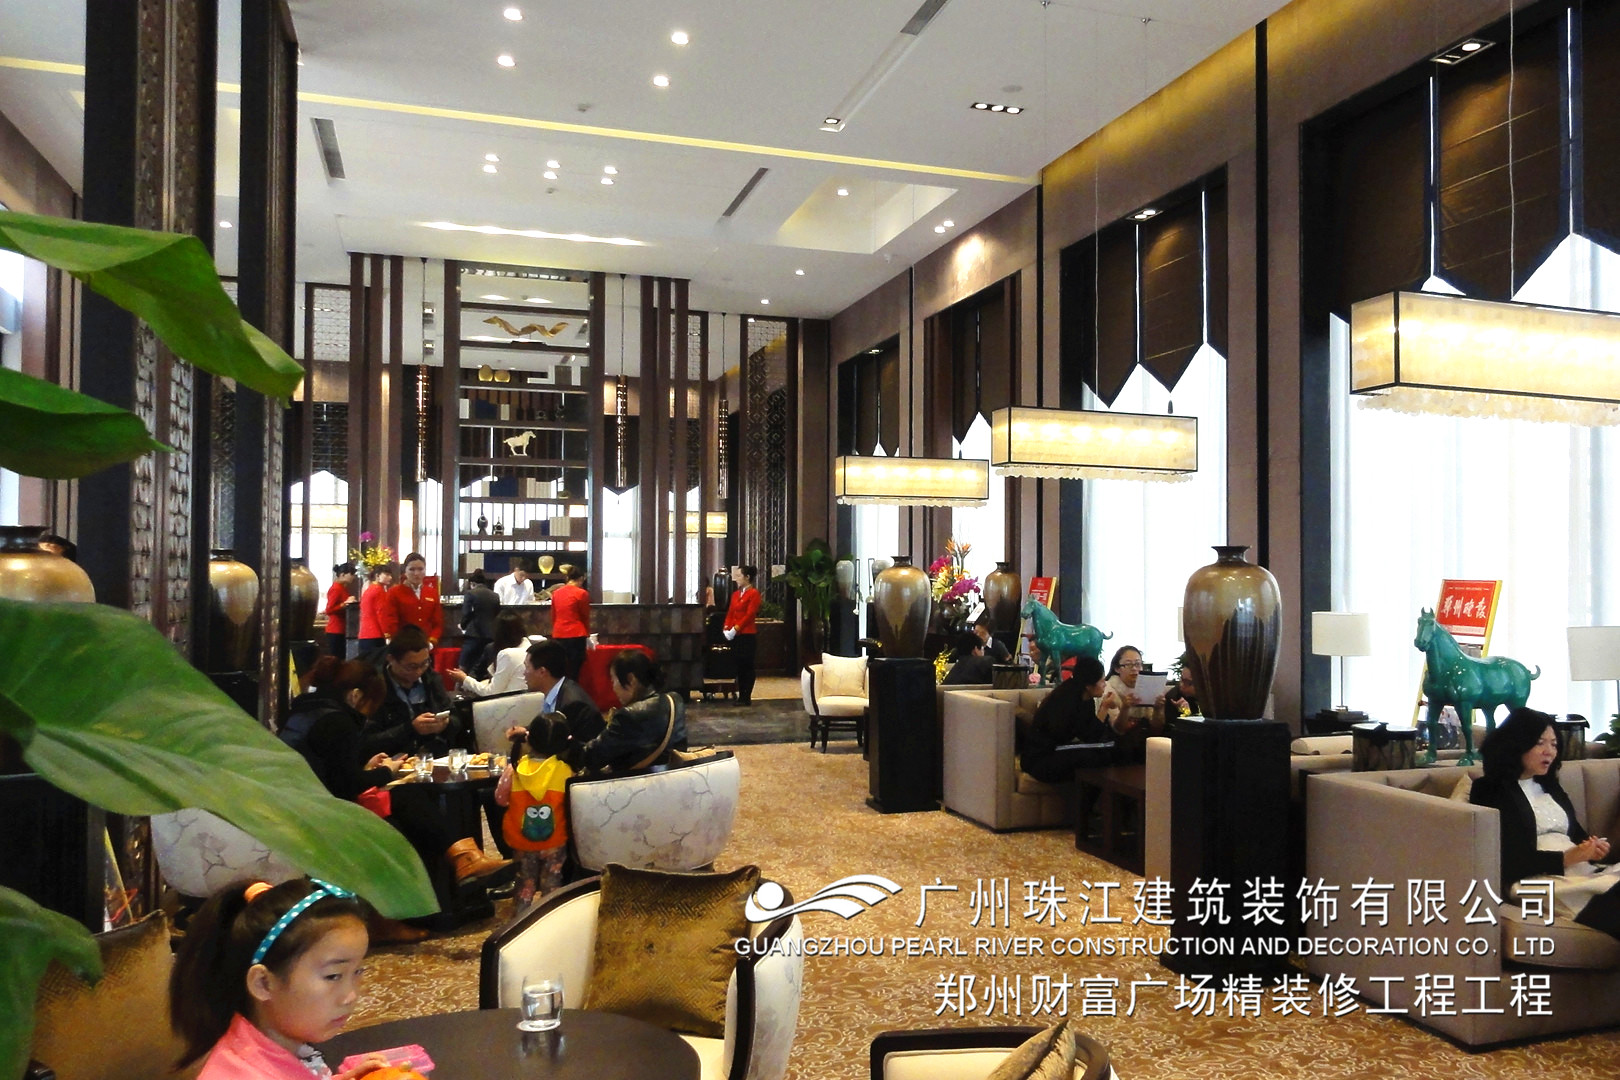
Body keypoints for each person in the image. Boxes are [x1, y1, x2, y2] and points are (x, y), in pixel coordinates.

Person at [279, 657, 511, 899]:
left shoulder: (303, 711)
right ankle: (463, 862)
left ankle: (463, 861)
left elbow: (331, 769)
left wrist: (368, 767)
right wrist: (387, 771)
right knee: (408, 796)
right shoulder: (337, 722)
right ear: (356, 696)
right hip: (322, 809)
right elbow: (347, 786)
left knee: (408, 798)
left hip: (298, 800)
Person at [168, 877, 387, 1080]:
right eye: (333, 976)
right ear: (263, 983)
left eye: (358, 971)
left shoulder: (272, 1047)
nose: (351, 996)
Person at [1470, 708, 1620, 938]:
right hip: (1536, 879)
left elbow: (1576, 835)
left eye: (1554, 744)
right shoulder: (1489, 789)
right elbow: (1506, 859)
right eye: (1540, 743)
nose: (1549, 751)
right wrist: (1566, 858)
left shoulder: (1549, 785)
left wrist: (1594, 847)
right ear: (1517, 743)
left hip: (1579, 869)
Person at [495, 712, 574, 906]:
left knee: (524, 884)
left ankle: (521, 919)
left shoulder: (514, 770)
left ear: (528, 739)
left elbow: (500, 799)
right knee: (552, 884)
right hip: (555, 842)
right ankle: (550, 917)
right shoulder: (566, 771)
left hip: (521, 841)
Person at [578, 650, 687, 773]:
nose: (613, 687)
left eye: (613, 680)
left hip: (639, 780)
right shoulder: (675, 700)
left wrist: (570, 746)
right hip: (674, 775)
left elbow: (591, 757)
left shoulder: (629, 715)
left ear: (631, 679)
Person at [365, 626, 465, 758]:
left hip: (433, 756)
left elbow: (456, 720)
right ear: (391, 659)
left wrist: (446, 724)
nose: (418, 671)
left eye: (424, 664)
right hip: (392, 760)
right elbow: (367, 742)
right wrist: (411, 729)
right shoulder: (375, 686)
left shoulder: (431, 679)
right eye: (411, 667)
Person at [1017, 655, 1115, 783]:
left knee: (1106, 752)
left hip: (1058, 752)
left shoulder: (1086, 700)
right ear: (1088, 685)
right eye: (1101, 681)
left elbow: (1091, 737)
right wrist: (1104, 708)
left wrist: (1103, 709)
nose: (1104, 685)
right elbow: (1067, 737)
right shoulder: (1066, 699)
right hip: (1041, 759)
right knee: (1094, 757)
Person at [506, 639, 606, 746]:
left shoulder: (573, 704)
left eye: (527, 667)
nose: (524, 673)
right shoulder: (555, 691)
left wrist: (529, 736)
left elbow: (556, 743)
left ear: (542, 672)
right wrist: (526, 731)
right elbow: (547, 728)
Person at [1102, 644, 1163, 760]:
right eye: (1128, 664)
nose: (1134, 668)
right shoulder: (1108, 690)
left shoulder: (1148, 688)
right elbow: (1118, 730)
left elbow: (1156, 730)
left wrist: (1158, 709)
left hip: (1144, 746)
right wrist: (1125, 708)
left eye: (1138, 664)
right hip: (1117, 748)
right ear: (1117, 668)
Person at [449, 611, 530, 697]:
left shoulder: (508, 655)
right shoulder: (529, 647)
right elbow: (478, 672)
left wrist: (464, 679)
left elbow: (492, 692)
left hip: (508, 701)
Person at [722, 564, 762, 705]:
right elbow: (730, 612)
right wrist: (727, 628)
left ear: (747, 577)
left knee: (747, 666)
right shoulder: (735, 595)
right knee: (738, 666)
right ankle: (740, 694)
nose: (737, 579)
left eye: (739, 576)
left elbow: (749, 615)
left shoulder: (754, 594)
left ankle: (746, 696)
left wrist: (736, 628)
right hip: (735, 636)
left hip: (747, 634)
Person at [386, 552, 441, 647]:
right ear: (405, 571)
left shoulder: (432, 593)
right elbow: (391, 621)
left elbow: (437, 623)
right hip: (403, 644)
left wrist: (431, 642)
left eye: (420, 569)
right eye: (412, 569)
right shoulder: (394, 592)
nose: (416, 573)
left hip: (426, 644)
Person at [548, 564, 591, 680]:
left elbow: (554, 615)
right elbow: (585, 616)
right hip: (576, 634)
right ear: (581, 578)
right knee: (574, 670)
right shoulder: (582, 593)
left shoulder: (556, 593)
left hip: (559, 634)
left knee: (561, 669)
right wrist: (587, 634)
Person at [458, 570, 499, 675]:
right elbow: (497, 615)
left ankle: (460, 682)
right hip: (490, 636)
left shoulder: (470, 594)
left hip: (474, 634)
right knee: (485, 666)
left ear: (472, 584)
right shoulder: (495, 595)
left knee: (464, 663)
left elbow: (466, 613)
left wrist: (462, 626)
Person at [355, 563, 394, 656]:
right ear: (377, 576)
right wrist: (387, 633)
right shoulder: (379, 590)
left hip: (364, 634)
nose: (390, 577)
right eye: (387, 575)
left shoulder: (369, 589)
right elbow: (381, 613)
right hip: (376, 634)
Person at [322, 563, 358, 658]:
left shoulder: (342, 588)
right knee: (336, 658)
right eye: (351, 574)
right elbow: (329, 610)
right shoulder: (336, 588)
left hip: (341, 629)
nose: (353, 577)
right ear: (342, 575)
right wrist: (345, 604)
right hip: (335, 629)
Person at [1161, 654, 1200, 728]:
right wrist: (1186, 714)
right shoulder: (1173, 698)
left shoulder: (1210, 699)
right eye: (1181, 679)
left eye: (1188, 682)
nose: (1181, 685)